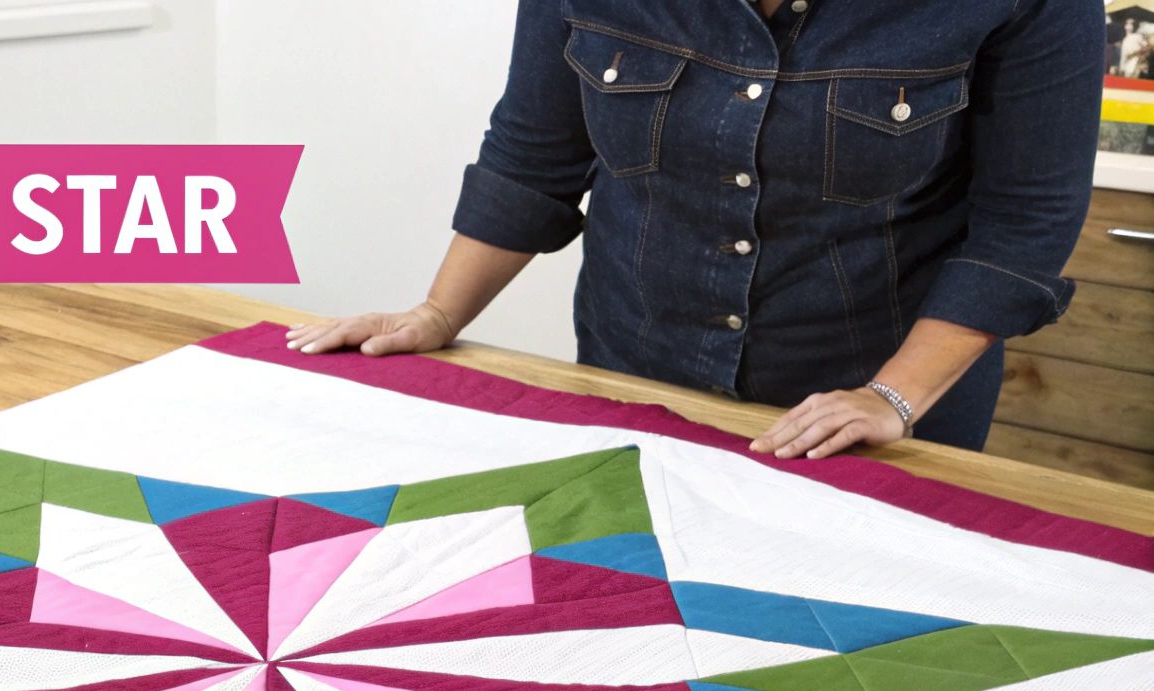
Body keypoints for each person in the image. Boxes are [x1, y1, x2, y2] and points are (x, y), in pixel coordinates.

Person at [286, 0, 1104, 458]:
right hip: (636, 382)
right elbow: (534, 158)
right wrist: (438, 313)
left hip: (882, 408)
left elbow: (1024, 224)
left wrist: (891, 397)